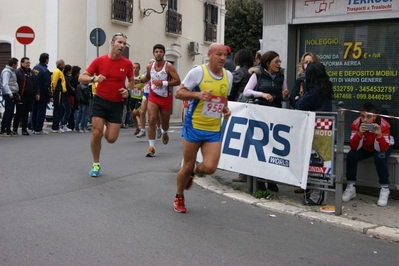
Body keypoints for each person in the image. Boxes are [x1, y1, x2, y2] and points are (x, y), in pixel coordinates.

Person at [174, 42, 233, 213]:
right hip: (194, 126)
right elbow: (179, 93)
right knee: (186, 166)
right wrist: (198, 94)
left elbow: (223, 97)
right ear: (210, 55)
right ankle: (179, 196)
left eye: (225, 55)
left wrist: (225, 109)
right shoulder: (198, 72)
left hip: (214, 129)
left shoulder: (228, 76)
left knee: (209, 168)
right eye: (218, 55)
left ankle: (193, 172)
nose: (222, 58)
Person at [79, 32, 133, 177]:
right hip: (100, 100)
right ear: (112, 43)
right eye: (120, 42)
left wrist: (127, 90)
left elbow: (132, 81)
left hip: (117, 104)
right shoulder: (99, 61)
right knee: (96, 133)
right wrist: (94, 78)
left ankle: (102, 126)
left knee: (111, 138)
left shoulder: (127, 64)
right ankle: (96, 164)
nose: (122, 46)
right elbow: (81, 77)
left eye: (124, 44)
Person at [243, 50, 289, 191]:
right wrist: (262, 94)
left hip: (275, 115)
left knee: (274, 148)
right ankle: (260, 181)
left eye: (279, 61)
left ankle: (272, 180)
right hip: (260, 115)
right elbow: (247, 91)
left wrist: (286, 95)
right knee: (261, 147)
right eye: (276, 61)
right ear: (267, 63)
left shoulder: (281, 76)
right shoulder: (257, 75)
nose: (279, 64)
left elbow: (285, 95)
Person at [296, 62, 334, 206]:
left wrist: (302, 94)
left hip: (317, 130)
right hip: (324, 129)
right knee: (321, 164)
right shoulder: (326, 88)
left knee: (318, 165)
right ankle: (318, 194)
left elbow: (301, 104)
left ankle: (318, 196)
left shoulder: (315, 91)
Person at [342, 102, 394, 207]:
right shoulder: (356, 123)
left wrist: (379, 135)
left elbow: (383, 148)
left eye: (368, 117)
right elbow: (354, 147)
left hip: (383, 144)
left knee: (380, 157)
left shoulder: (383, 124)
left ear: (374, 116)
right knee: (351, 155)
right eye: (362, 116)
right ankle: (351, 187)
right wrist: (359, 134)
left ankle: (385, 189)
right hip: (366, 146)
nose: (365, 120)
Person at [138, 44, 181, 157]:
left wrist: (163, 83)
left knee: (165, 123)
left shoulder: (169, 66)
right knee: (151, 119)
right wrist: (139, 80)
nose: (158, 53)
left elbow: (178, 81)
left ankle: (165, 132)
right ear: (154, 53)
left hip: (166, 97)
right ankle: (151, 147)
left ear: (163, 53)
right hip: (153, 96)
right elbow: (147, 78)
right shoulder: (150, 67)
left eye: (161, 51)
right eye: (156, 51)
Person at [227, 49, 254, 183]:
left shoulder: (238, 73)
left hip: (239, 108)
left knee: (241, 141)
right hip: (253, 109)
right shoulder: (254, 72)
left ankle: (243, 173)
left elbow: (230, 91)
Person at [13, 57, 36, 136]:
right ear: (22, 63)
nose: (28, 64)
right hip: (21, 96)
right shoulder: (18, 72)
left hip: (30, 96)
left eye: (29, 63)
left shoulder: (31, 72)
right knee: (19, 113)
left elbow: (35, 83)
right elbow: (15, 84)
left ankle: (24, 129)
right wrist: (17, 94)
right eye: (26, 63)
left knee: (26, 113)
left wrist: (37, 93)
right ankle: (15, 128)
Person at [32, 53, 53, 135]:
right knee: (41, 112)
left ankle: (33, 128)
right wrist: (49, 96)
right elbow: (46, 85)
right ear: (46, 60)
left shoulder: (35, 68)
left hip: (35, 93)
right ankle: (38, 128)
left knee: (34, 111)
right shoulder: (45, 71)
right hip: (42, 94)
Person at [0, 57, 19, 136]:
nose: (17, 66)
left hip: (13, 93)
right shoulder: (7, 72)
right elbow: (5, 84)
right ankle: (3, 129)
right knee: (8, 112)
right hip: (8, 94)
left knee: (11, 112)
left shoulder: (12, 71)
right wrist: (10, 93)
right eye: (16, 64)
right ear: (13, 64)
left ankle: (8, 129)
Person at [50, 59, 67, 133]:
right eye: (63, 64)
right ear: (60, 65)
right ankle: (55, 126)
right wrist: (53, 93)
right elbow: (54, 82)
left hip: (60, 92)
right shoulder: (57, 71)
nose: (64, 65)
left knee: (59, 109)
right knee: (57, 109)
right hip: (58, 92)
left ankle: (56, 126)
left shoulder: (60, 71)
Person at [130, 62, 144, 135]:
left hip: (139, 98)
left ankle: (142, 116)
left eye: (136, 68)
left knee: (135, 112)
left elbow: (146, 85)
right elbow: (128, 86)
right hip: (132, 98)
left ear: (139, 69)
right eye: (133, 68)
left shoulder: (142, 77)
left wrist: (143, 88)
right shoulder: (131, 77)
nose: (135, 69)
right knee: (132, 115)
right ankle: (137, 128)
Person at [67, 65, 81, 130]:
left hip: (74, 96)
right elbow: (73, 89)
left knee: (72, 111)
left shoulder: (73, 78)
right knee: (72, 111)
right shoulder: (73, 79)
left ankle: (71, 124)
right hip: (72, 96)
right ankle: (71, 124)